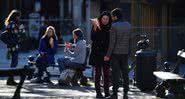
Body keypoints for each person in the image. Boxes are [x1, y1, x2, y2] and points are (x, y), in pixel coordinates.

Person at [104, 8, 131, 99]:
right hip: (125, 52)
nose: (112, 18)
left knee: (115, 73)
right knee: (125, 73)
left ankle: (114, 94)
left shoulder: (114, 26)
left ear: (115, 16)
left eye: (112, 16)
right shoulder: (128, 25)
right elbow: (129, 40)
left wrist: (108, 55)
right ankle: (126, 93)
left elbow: (112, 42)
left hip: (115, 53)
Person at [89, 11, 112, 98]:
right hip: (97, 53)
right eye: (104, 18)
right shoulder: (96, 25)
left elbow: (111, 41)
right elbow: (92, 38)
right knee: (97, 74)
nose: (105, 20)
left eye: (107, 19)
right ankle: (98, 93)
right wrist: (95, 27)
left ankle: (107, 92)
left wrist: (109, 54)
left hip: (106, 54)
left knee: (106, 74)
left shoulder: (110, 27)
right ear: (100, 18)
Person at [3, 10, 25, 86]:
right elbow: (18, 33)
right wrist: (21, 29)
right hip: (13, 46)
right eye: (18, 16)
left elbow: (20, 33)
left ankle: (10, 79)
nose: (19, 18)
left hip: (13, 45)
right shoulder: (12, 24)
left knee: (14, 62)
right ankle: (10, 80)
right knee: (14, 63)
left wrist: (21, 29)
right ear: (15, 16)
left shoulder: (12, 24)